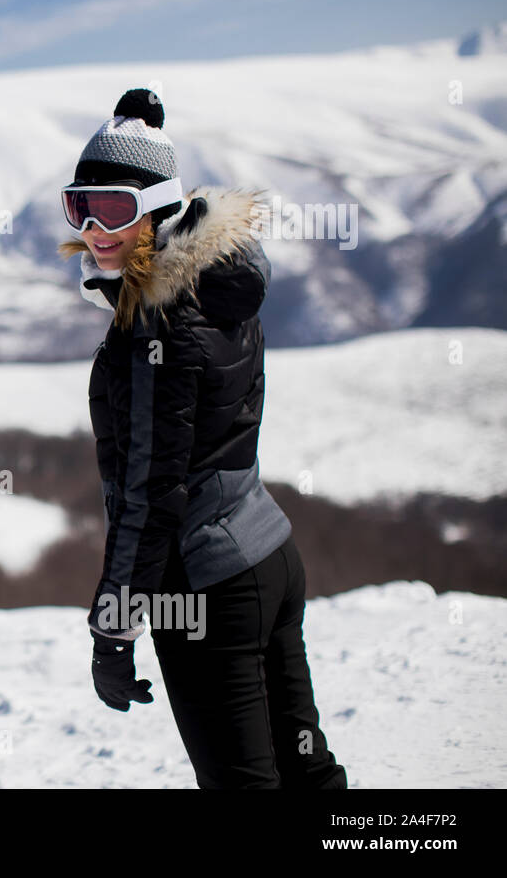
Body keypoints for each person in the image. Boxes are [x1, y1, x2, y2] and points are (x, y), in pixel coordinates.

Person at [59, 89, 348, 789]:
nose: (97, 228)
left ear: (158, 208)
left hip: (209, 586)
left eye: (116, 209)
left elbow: (151, 497)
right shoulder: (214, 280)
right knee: (306, 771)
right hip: (268, 556)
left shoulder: (158, 326)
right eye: (80, 207)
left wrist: (112, 631)